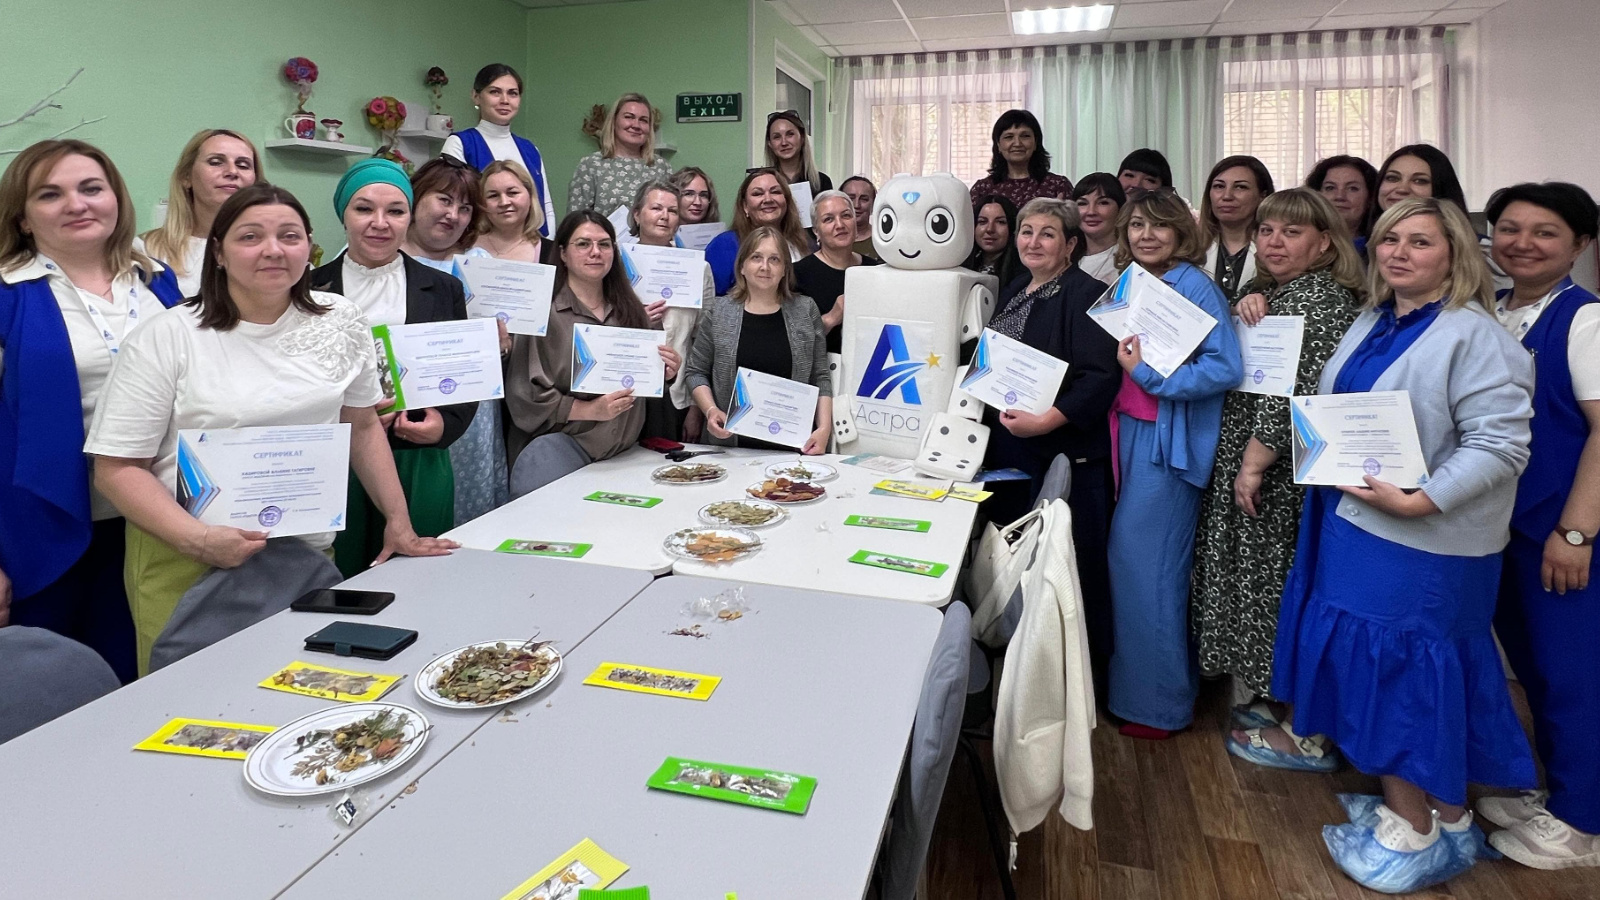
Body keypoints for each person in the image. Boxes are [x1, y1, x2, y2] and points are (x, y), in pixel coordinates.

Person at [1272, 197, 1536, 893]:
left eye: (1419, 242)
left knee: (1405, 678)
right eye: (1390, 239)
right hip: (1356, 525)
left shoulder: (1475, 335)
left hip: (1423, 540)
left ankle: (1411, 826)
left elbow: (1502, 445)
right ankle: (1445, 816)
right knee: (1392, 672)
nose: (1398, 252)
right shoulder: (1376, 319)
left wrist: (1424, 499)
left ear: (1455, 255)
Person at [85, 184, 455, 674]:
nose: (273, 250)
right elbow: (116, 469)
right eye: (250, 237)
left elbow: (363, 424)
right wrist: (198, 540)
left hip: (305, 553)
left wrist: (399, 522)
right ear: (219, 252)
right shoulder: (167, 336)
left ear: (309, 247)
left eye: (289, 236)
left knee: (304, 683)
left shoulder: (341, 321)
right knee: (193, 700)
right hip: (186, 557)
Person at [1187, 189, 1362, 769]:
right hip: (1258, 460)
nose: (1274, 242)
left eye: (1292, 232)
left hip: (1278, 472)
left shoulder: (1320, 298)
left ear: (1325, 243)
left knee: (1282, 590)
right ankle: (1281, 698)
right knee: (1265, 588)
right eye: (1267, 231)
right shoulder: (1284, 293)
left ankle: (1305, 728)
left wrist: (1253, 465)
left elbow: (1294, 394)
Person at [0, 140, 185, 682]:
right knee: (53, 691)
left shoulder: (158, 282)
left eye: (91, 188)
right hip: (43, 531)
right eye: (50, 194)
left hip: (156, 520)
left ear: (116, 199)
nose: (76, 204)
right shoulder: (8, 293)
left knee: (147, 677)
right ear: (23, 217)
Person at [1479, 182, 1600, 870]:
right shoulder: (1494, 310)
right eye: (1510, 228)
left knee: (1572, 673)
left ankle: (1584, 823)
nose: (1522, 243)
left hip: (1559, 530)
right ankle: (1560, 793)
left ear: (1579, 244)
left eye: (1545, 232)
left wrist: (1577, 532)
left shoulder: (1584, 320)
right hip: (1503, 527)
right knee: (1534, 669)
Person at [1105, 188, 1243, 740]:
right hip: (1129, 434)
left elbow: (1225, 367)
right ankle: (1139, 694)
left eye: (1159, 225)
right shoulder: (1132, 282)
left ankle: (1158, 708)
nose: (1146, 235)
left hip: (1165, 446)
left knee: (1150, 572)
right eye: (1137, 224)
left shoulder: (1194, 285)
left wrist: (1149, 376)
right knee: (1132, 567)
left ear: (1182, 233)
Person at [308, 159, 477, 576]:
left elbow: (460, 376)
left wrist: (444, 424)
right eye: (364, 209)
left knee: (420, 577)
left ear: (410, 217)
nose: (380, 223)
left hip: (418, 454)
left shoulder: (444, 288)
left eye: (396, 211)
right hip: (335, 457)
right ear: (343, 214)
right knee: (339, 576)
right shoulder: (307, 288)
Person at [981, 197, 1121, 691]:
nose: (1033, 242)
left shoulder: (1088, 295)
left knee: (1069, 566)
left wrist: (1045, 422)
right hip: (1012, 448)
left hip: (1064, 454)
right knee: (1018, 561)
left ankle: (1075, 683)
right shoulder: (1016, 288)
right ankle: (1021, 668)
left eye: (1047, 233)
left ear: (1070, 245)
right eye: (1027, 231)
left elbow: (1099, 378)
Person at [503, 211, 680, 478]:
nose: (595, 252)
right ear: (563, 253)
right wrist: (589, 410)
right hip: (559, 455)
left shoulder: (632, 311)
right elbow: (524, 395)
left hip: (624, 455)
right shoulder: (542, 314)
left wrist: (665, 372)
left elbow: (646, 383)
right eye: (583, 244)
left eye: (604, 244)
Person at [400, 157, 513, 529]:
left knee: (470, 517)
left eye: (465, 208)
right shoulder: (384, 258)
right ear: (416, 197)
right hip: (407, 414)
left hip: (471, 416)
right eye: (444, 200)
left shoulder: (478, 263)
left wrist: (501, 345)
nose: (453, 215)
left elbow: (502, 345)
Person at [684, 226, 832, 453]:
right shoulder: (719, 311)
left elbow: (820, 376)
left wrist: (824, 428)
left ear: (785, 269)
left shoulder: (806, 310)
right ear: (742, 266)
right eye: (756, 258)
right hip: (729, 448)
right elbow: (695, 371)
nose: (765, 266)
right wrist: (711, 410)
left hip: (793, 448)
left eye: (774, 259)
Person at [623, 179, 704, 440]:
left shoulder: (698, 268)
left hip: (676, 393)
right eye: (656, 208)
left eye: (672, 211)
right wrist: (636, 321)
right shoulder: (614, 264)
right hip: (623, 388)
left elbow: (702, 343)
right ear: (637, 214)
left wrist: (696, 408)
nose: (665, 216)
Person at [138, 129, 261, 297]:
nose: (232, 171)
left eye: (243, 165)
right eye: (216, 162)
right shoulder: (144, 251)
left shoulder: (273, 251)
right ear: (186, 176)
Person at [441, 63, 556, 238]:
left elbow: (545, 205)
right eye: (495, 92)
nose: (505, 100)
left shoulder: (530, 149)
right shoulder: (461, 144)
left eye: (513, 93)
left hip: (532, 245)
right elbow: (451, 206)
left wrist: (547, 245)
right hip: (479, 245)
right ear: (476, 96)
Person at [794, 190, 880, 356]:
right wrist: (831, 318)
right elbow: (792, 342)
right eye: (828, 219)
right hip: (822, 368)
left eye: (846, 216)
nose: (839, 225)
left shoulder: (873, 269)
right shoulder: (797, 275)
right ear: (816, 231)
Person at [703, 169, 810, 295]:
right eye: (758, 194)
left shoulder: (803, 243)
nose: (768, 199)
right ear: (745, 206)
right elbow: (713, 300)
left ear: (786, 201)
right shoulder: (724, 245)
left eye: (775, 192)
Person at [567, 93, 673, 216]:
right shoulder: (591, 165)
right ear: (614, 122)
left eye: (643, 120)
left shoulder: (662, 167)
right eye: (629, 117)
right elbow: (575, 220)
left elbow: (673, 213)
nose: (636, 125)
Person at [967, 109, 1073, 211]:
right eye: (1009, 137)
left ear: (1036, 143)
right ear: (998, 145)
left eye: (1025, 136)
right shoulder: (982, 189)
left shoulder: (1058, 185)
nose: (1017, 143)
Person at [1200, 156, 1274, 298]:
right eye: (1219, 186)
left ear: (1263, 196)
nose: (1227, 196)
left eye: (1240, 187)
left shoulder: (1276, 248)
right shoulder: (1191, 248)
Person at [479, 159, 554, 264]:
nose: (504, 202)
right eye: (493, 195)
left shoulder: (553, 253)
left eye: (512, 193)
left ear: (530, 196)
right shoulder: (463, 247)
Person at [1305, 155, 1379, 253]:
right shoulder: (1301, 245)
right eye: (1330, 188)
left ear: (1370, 198)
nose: (1339, 196)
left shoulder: (1380, 248)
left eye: (1352, 188)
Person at [1072, 173, 1126, 285]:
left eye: (1103, 203)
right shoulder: (1064, 257)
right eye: (1083, 203)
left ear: (1120, 208)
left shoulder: (1129, 260)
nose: (1091, 212)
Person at [961, 194, 1022, 292]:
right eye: (982, 222)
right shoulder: (962, 265)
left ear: (1012, 228)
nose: (990, 229)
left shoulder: (1022, 273)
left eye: (1000, 222)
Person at [764, 110, 831, 195]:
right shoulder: (764, 182)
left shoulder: (822, 182)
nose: (784, 142)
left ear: (802, 138)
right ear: (769, 143)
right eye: (777, 137)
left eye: (790, 134)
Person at [840, 175, 878, 258]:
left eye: (864, 199)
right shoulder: (829, 240)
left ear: (874, 204)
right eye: (851, 198)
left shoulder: (882, 239)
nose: (856, 205)